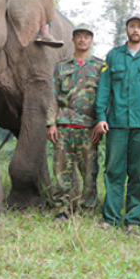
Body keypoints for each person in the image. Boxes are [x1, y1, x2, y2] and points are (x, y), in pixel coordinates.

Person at [93, 13, 140, 235]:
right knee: (114, 171)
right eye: (132, 26)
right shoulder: (113, 56)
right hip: (116, 124)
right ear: (127, 30)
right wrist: (101, 117)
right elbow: (104, 88)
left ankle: (133, 220)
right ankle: (111, 218)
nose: (135, 30)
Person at [46, 24, 104, 220]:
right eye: (79, 36)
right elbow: (52, 96)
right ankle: (62, 210)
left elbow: (105, 98)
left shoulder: (99, 66)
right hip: (64, 126)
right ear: (73, 40)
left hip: (89, 129)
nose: (82, 40)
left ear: (91, 40)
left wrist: (101, 122)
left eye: (86, 36)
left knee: (89, 173)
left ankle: (87, 211)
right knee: (62, 172)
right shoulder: (62, 66)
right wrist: (51, 123)